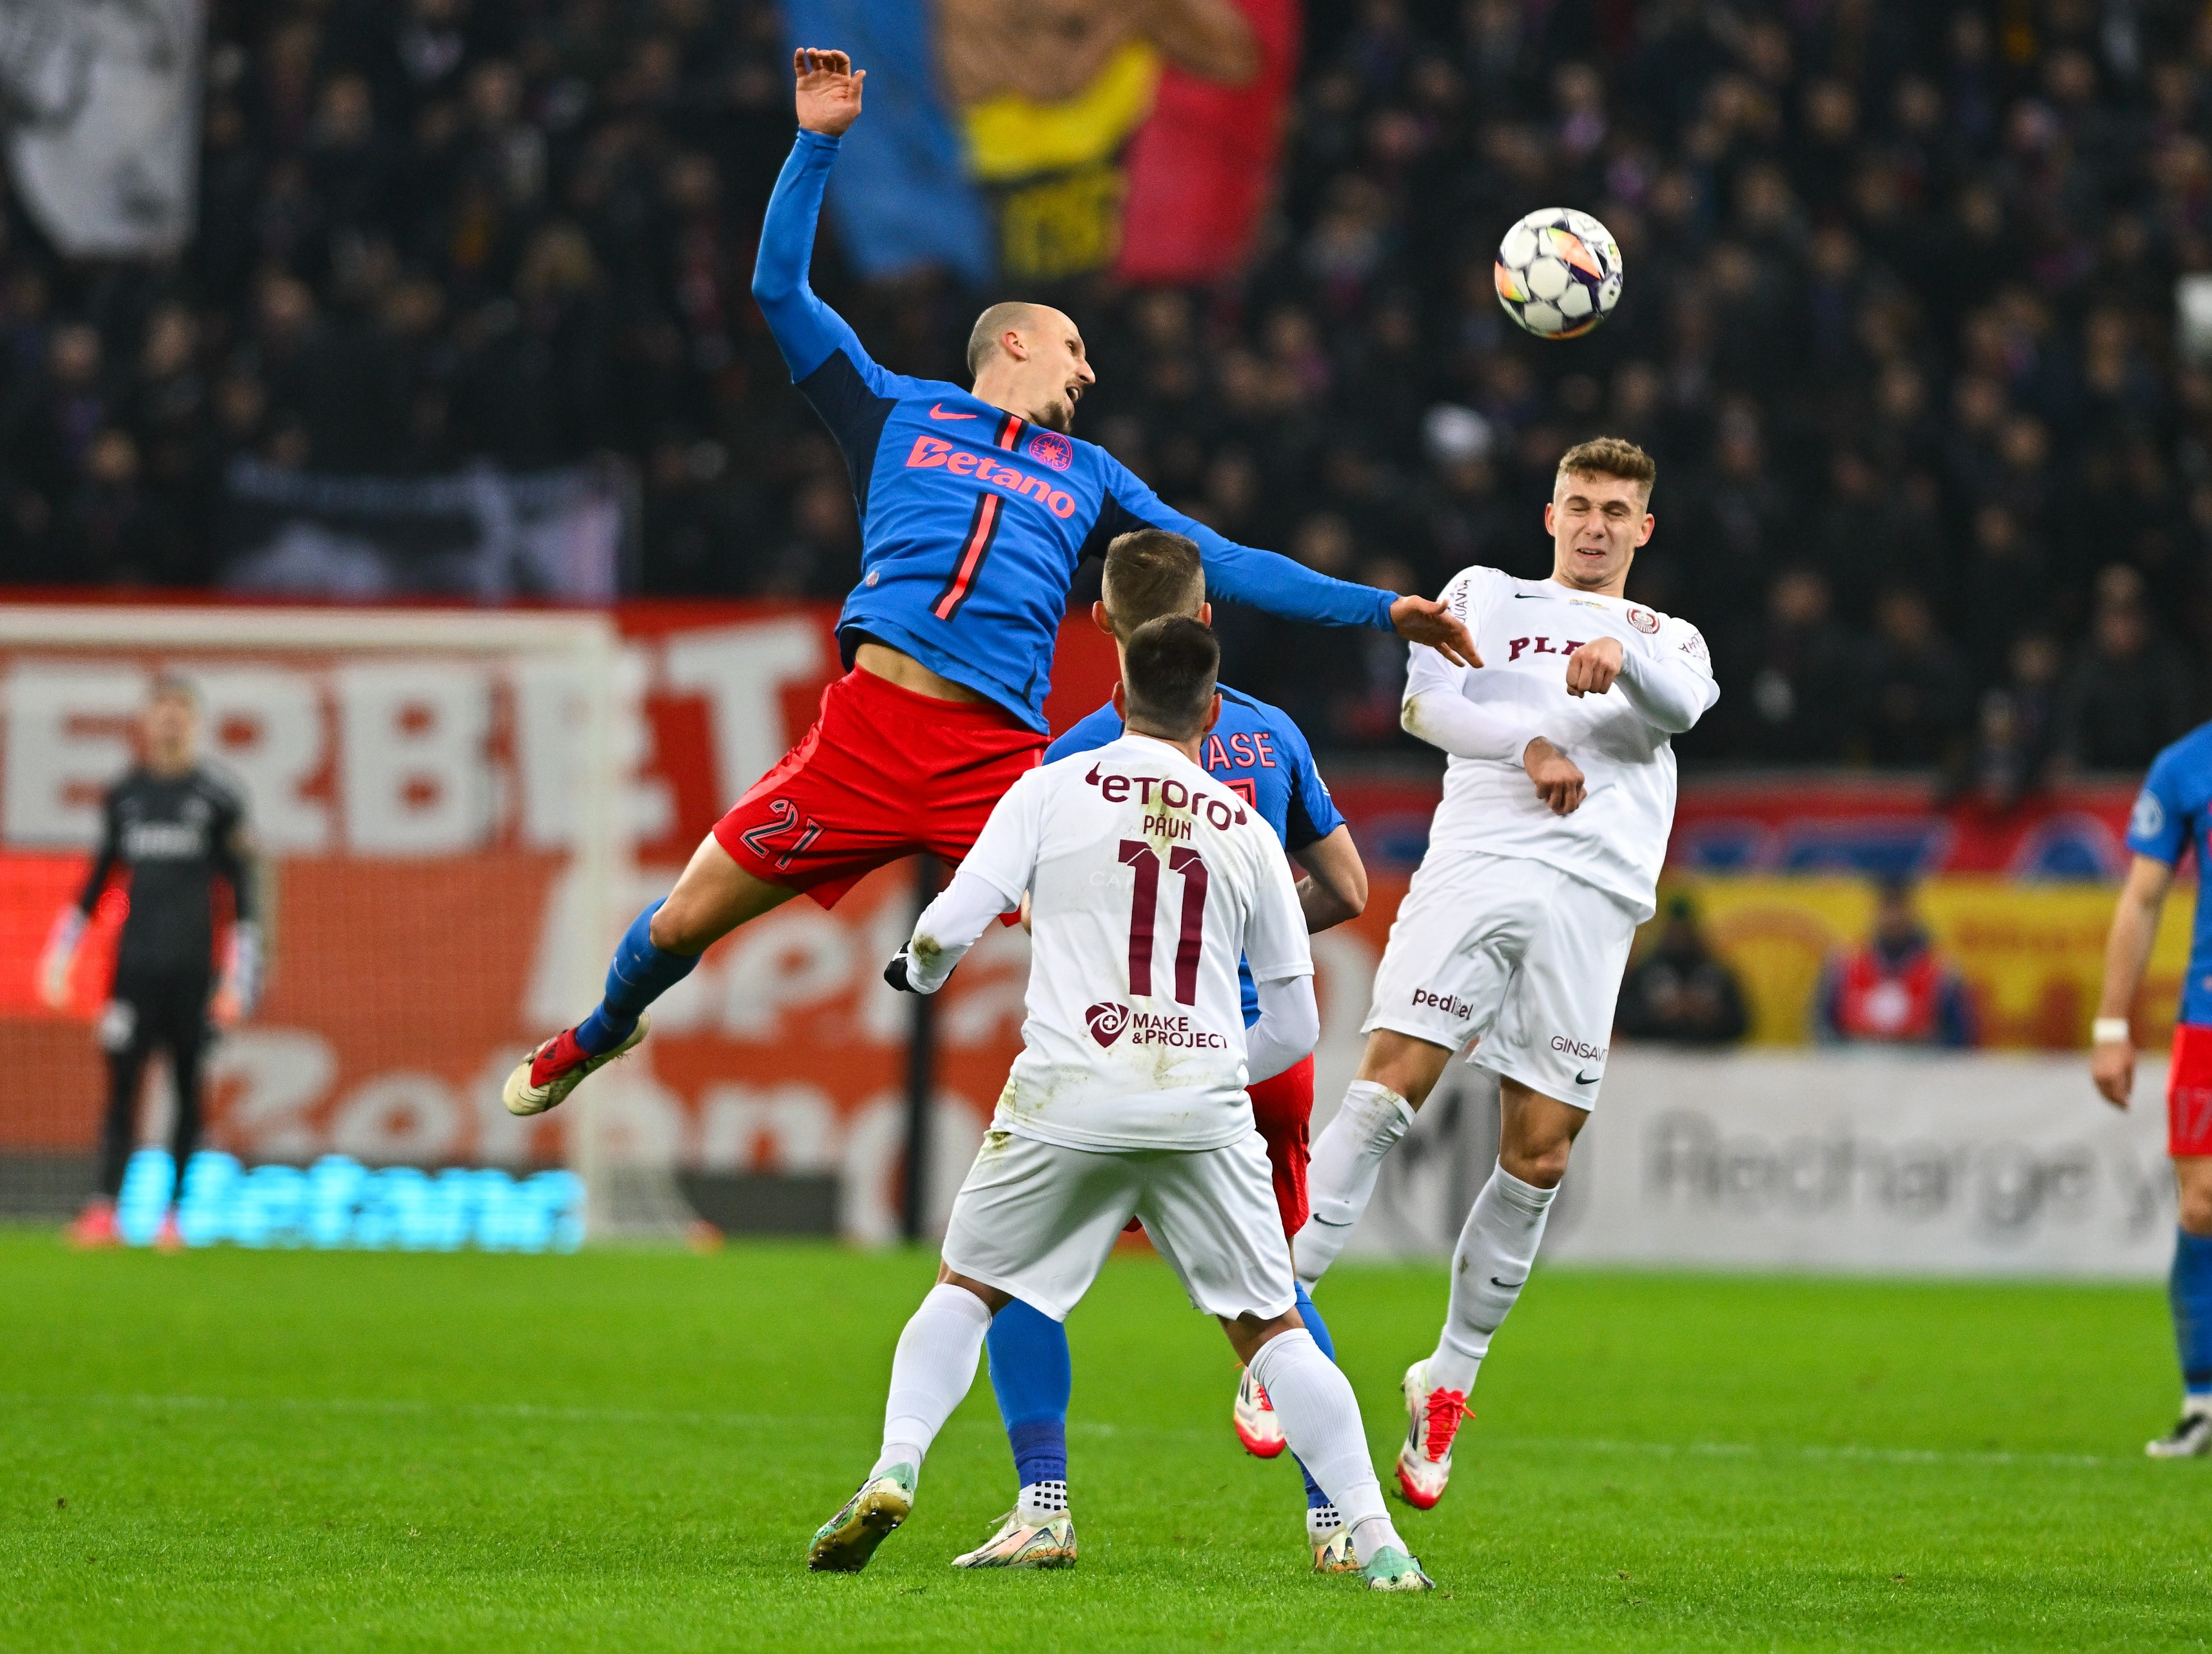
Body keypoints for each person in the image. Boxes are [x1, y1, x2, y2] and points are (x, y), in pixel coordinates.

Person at [500, 46, 1474, 1117]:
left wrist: (1383, 611)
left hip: (997, 763)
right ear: (1014, 342)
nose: (1088, 371)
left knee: (1119, 936)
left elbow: (1225, 563)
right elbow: (778, 287)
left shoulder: (1091, 475)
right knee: (684, 922)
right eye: (1074, 350)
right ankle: (598, 1033)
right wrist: (816, 142)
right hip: (865, 737)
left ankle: (1197, 1080)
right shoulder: (892, 409)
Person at [808, 616, 1431, 1590]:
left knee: (966, 1287)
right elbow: (1299, 1023)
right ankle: (1373, 1539)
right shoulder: (1245, 829)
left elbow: (946, 923)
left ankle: (897, 1465)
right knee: (1270, 1330)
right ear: (1211, 708)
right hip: (1199, 1101)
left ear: (1117, 697)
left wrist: (919, 974)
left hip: (1068, 1091)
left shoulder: (1051, 786)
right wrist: (1218, 1066)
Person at [1286, 436, 1718, 1509]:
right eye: (1580, 504)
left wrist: (1627, 660)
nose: (1595, 525)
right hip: (1481, 863)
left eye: (1618, 511)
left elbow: (1683, 712)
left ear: (1645, 529)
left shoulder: (1670, 638)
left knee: (1537, 1157)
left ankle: (1449, 1378)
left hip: (1595, 899)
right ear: (1549, 512)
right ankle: (1278, 1324)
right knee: (1390, 1087)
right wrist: (1531, 738)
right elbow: (1424, 707)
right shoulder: (1486, 590)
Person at [966, 527, 1369, 1573]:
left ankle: (1042, 1507)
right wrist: (1246, 938)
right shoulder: (1272, 737)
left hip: (1117, 1058)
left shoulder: (1071, 759)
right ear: (1206, 625)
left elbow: (1032, 912)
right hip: (1258, 1060)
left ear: (1100, 626)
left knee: (1012, 1280)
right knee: (1276, 1298)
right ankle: (1335, 1522)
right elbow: (1351, 889)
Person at [37, 675, 260, 1250]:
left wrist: (239, 978)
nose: (170, 720)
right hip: (132, 970)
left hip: (192, 973)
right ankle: (105, 1208)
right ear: (145, 720)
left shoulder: (218, 798)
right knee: (121, 1089)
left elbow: (243, 897)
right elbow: (99, 878)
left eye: (180, 709)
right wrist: (61, 955)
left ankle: (174, 1215)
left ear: (195, 720)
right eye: (161, 709)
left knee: (188, 1089)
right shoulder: (127, 796)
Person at [2091, 720, 2212, 1456]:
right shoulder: (2185, 764)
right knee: (2200, 1203)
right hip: (2207, 1014)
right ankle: (2202, 1402)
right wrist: (2111, 1025)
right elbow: (2141, 899)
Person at [1812, 876, 1976, 1047]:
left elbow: (1960, 1034)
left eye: (1899, 908)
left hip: (1921, 1063)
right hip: (1858, 1061)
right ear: (1875, 912)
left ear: (1912, 912)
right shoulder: (1845, 964)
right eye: (1887, 908)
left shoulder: (1941, 969)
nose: (1893, 917)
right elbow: (1823, 1027)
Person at [1614, 894, 1749, 1046]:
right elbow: (1624, 1017)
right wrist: (1658, 1014)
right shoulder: (1648, 970)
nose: (1680, 936)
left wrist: (1712, 1016)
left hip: (1708, 1059)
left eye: (1685, 930)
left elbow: (1741, 1023)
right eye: (1675, 929)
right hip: (1654, 1060)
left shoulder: (1714, 973)